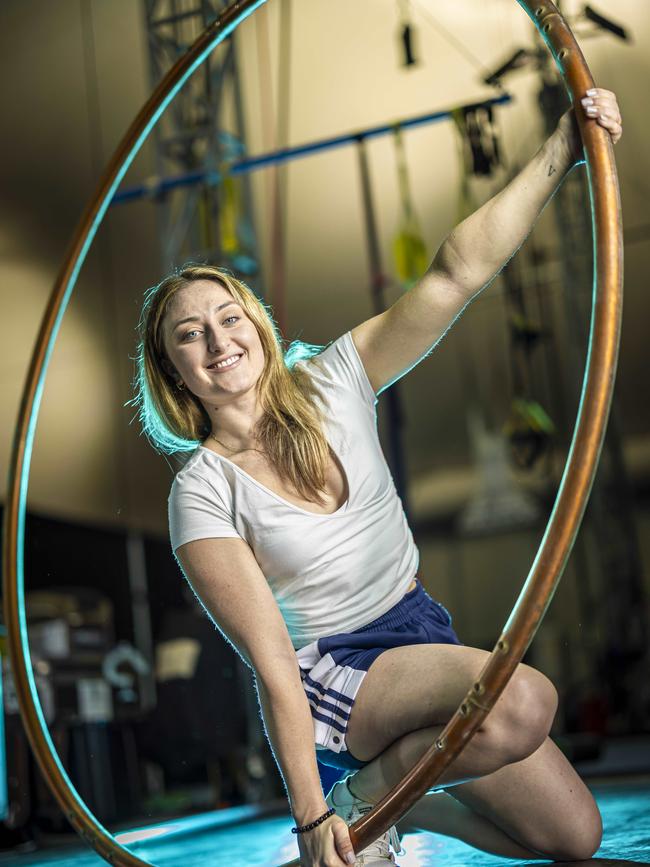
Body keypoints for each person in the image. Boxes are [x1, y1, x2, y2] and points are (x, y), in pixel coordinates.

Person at [135, 90, 622, 867]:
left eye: (228, 317)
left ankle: (409, 802)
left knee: (576, 838)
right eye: (189, 335)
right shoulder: (200, 490)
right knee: (526, 698)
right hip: (336, 677)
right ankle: (358, 799)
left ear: (256, 326)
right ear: (174, 371)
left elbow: (457, 272)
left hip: (417, 629)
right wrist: (310, 817)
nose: (217, 339)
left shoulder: (335, 378)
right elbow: (272, 663)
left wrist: (563, 145)